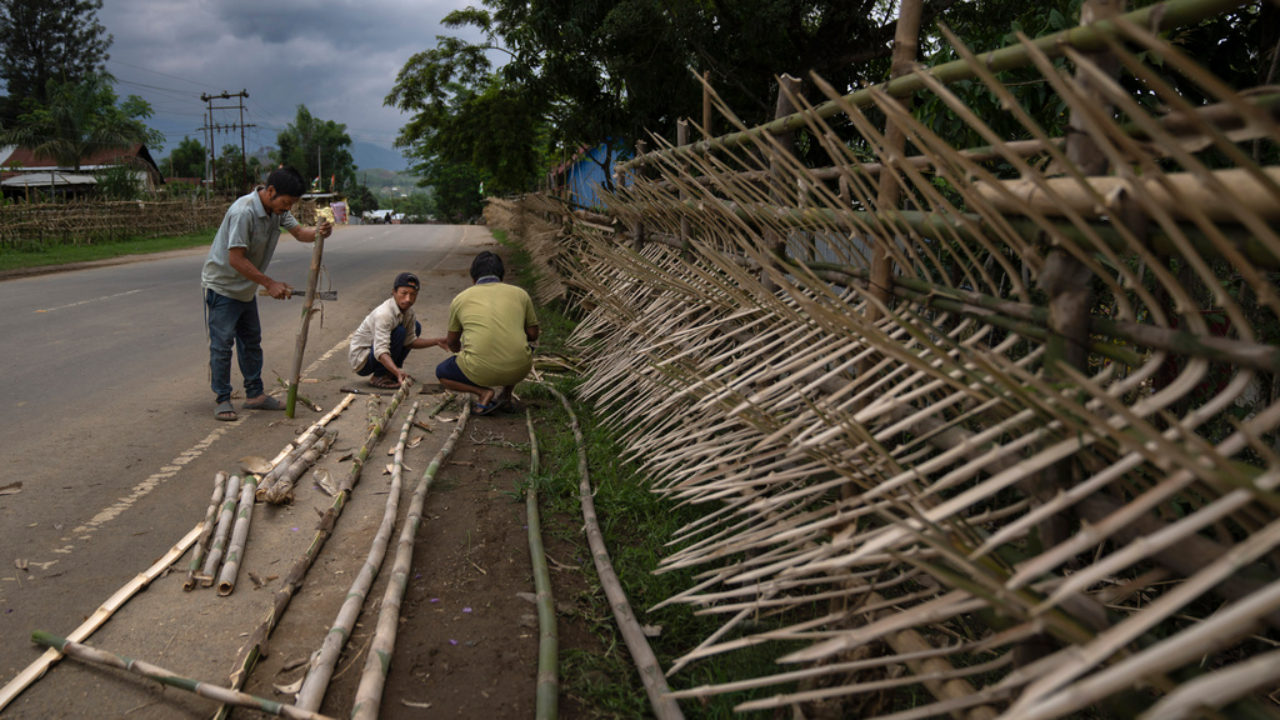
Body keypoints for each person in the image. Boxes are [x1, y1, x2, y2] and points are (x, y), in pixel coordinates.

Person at [202, 166, 333, 421]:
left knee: (251, 341)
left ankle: (255, 395)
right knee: (222, 345)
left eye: (292, 204)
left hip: (245, 287)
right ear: (270, 191)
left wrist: (318, 233)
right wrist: (269, 283)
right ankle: (223, 398)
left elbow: (300, 233)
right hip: (223, 286)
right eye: (286, 203)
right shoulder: (244, 212)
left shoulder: (277, 210)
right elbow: (236, 259)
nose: (288, 209)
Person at [436, 252, 539, 415]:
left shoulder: (461, 298)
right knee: (523, 346)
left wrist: (459, 350)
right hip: (519, 368)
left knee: (442, 372)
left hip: (479, 371)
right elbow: (533, 335)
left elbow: (452, 341)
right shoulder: (520, 294)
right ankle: (506, 395)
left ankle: (483, 393)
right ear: (501, 277)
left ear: (473, 280)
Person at [349, 272, 449, 389]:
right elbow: (380, 350)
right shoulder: (384, 314)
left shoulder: (409, 313)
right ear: (394, 292)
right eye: (404, 293)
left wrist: (436, 341)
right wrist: (398, 372)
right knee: (400, 332)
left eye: (413, 294)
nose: (408, 299)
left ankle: (389, 373)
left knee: (416, 327)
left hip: (377, 352)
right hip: (362, 361)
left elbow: (410, 342)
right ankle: (379, 376)